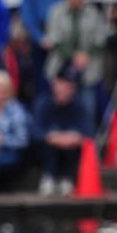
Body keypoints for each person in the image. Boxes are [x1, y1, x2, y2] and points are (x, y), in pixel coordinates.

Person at [42, 0, 107, 127]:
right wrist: (73, 55)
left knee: (87, 112)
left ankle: (86, 141)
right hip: (61, 72)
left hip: (87, 73)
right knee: (60, 116)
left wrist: (87, 55)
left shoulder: (92, 12)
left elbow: (100, 38)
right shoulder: (56, 12)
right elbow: (54, 38)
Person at [33, 64, 92, 196]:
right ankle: (49, 177)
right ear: (54, 84)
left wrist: (73, 138)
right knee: (46, 144)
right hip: (48, 151)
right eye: (62, 84)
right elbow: (36, 131)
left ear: (74, 88)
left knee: (74, 145)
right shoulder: (43, 103)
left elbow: (88, 132)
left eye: (69, 85)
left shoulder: (80, 106)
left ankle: (67, 178)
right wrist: (53, 137)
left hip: (71, 151)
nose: (64, 88)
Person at [18, 0, 66, 92]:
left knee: (63, 83)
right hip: (41, 40)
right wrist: (40, 38)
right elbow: (27, 14)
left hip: (62, 40)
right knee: (41, 83)